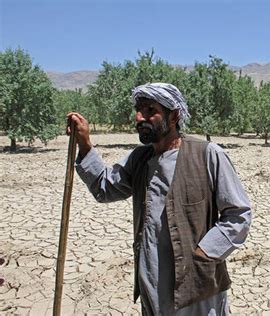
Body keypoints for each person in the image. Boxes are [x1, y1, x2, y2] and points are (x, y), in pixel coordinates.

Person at [67, 83, 252, 315]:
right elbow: (105, 188)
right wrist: (85, 146)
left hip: (197, 286)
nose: (139, 117)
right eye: (138, 109)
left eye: (149, 110)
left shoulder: (207, 154)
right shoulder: (140, 159)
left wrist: (204, 254)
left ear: (173, 116)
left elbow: (238, 214)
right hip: (152, 282)